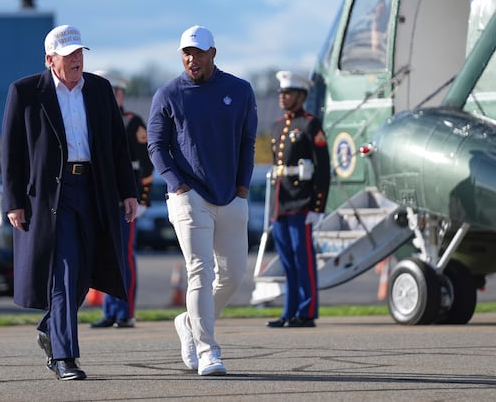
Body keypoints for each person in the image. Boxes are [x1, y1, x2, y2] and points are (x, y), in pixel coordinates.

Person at [1, 24, 139, 381]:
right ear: (50, 60)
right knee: (64, 271)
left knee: (84, 271)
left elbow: (117, 147)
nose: (77, 59)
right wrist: (14, 200)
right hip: (53, 197)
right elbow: (12, 152)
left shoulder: (100, 89)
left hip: (95, 189)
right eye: (69, 55)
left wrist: (129, 191)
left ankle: (51, 326)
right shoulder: (26, 92)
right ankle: (65, 357)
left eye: (80, 53)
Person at [147, 25, 257, 376]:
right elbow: (156, 146)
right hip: (188, 196)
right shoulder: (168, 94)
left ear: (213, 53)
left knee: (234, 276)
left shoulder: (240, 90)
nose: (191, 59)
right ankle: (208, 350)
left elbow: (247, 143)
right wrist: (178, 185)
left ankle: (188, 322)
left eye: (197, 52)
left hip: (231, 196)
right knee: (200, 271)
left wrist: (242, 189)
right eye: (185, 53)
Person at [266, 70, 330, 328]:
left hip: (301, 202)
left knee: (303, 259)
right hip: (280, 202)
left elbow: (322, 169)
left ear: (301, 96)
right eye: (281, 93)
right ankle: (289, 312)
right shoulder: (277, 126)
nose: (283, 97)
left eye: (288, 93)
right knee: (287, 261)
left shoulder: (310, 125)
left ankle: (307, 311)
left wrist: (318, 205)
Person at [90, 71, 153, 329]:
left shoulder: (132, 122)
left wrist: (143, 201)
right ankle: (110, 311)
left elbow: (145, 168)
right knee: (106, 256)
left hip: (126, 202)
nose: (113, 95)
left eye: (116, 91)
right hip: (102, 201)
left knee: (124, 256)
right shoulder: (93, 119)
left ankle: (125, 312)